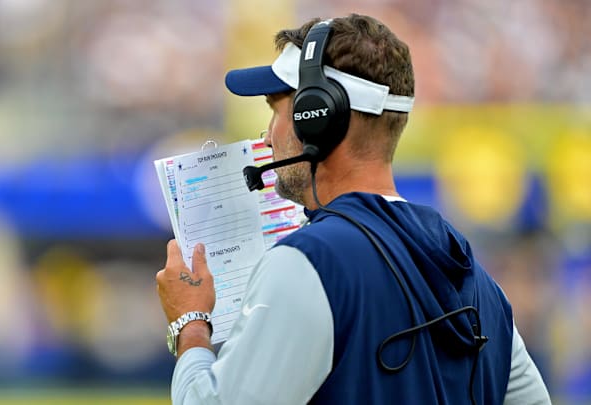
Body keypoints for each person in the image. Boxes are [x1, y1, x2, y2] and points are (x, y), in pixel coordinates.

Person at [156, 13, 551, 404]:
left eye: (276, 110)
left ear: (316, 118)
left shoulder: (306, 261)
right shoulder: (478, 279)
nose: (267, 136)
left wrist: (190, 322)